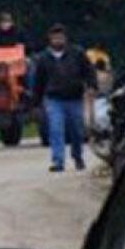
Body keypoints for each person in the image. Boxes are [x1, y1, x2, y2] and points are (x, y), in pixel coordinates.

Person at [33, 24, 98, 172]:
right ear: (50, 39)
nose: (57, 41)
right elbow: (39, 81)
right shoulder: (43, 58)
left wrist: (92, 85)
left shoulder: (77, 53)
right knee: (56, 129)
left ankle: (77, 156)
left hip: (74, 98)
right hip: (54, 99)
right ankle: (58, 161)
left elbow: (89, 71)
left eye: (60, 38)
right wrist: (36, 102)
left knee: (76, 130)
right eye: (55, 38)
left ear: (65, 38)